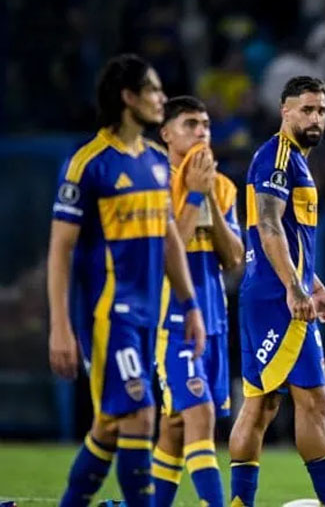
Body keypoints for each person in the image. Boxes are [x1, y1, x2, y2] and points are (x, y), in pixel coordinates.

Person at [47, 54, 207, 507]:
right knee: (141, 414)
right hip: (109, 315)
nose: (162, 98)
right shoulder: (88, 164)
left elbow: (170, 239)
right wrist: (60, 325)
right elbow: (60, 249)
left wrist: (190, 305)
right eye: (153, 89)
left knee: (109, 427)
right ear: (129, 98)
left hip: (148, 314)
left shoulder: (156, 162)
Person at [228, 76, 325, 507]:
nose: (315, 118)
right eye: (306, 109)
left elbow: (292, 240)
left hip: (276, 291)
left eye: (321, 110)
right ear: (285, 111)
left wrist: (315, 287)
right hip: (277, 297)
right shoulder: (279, 156)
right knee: (312, 401)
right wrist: (295, 289)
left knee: (262, 404)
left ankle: (240, 502)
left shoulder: (295, 159)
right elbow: (268, 224)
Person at [153, 96, 244, 507]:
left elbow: (234, 257)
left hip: (214, 320)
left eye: (205, 124)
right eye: (190, 124)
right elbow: (168, 251)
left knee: (175, 427)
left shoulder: (221, 187)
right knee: (200, 414)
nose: (202, 132)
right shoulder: (155, 182)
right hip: (172, 319)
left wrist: (208, 199)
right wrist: (192, 196)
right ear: (166, 133)